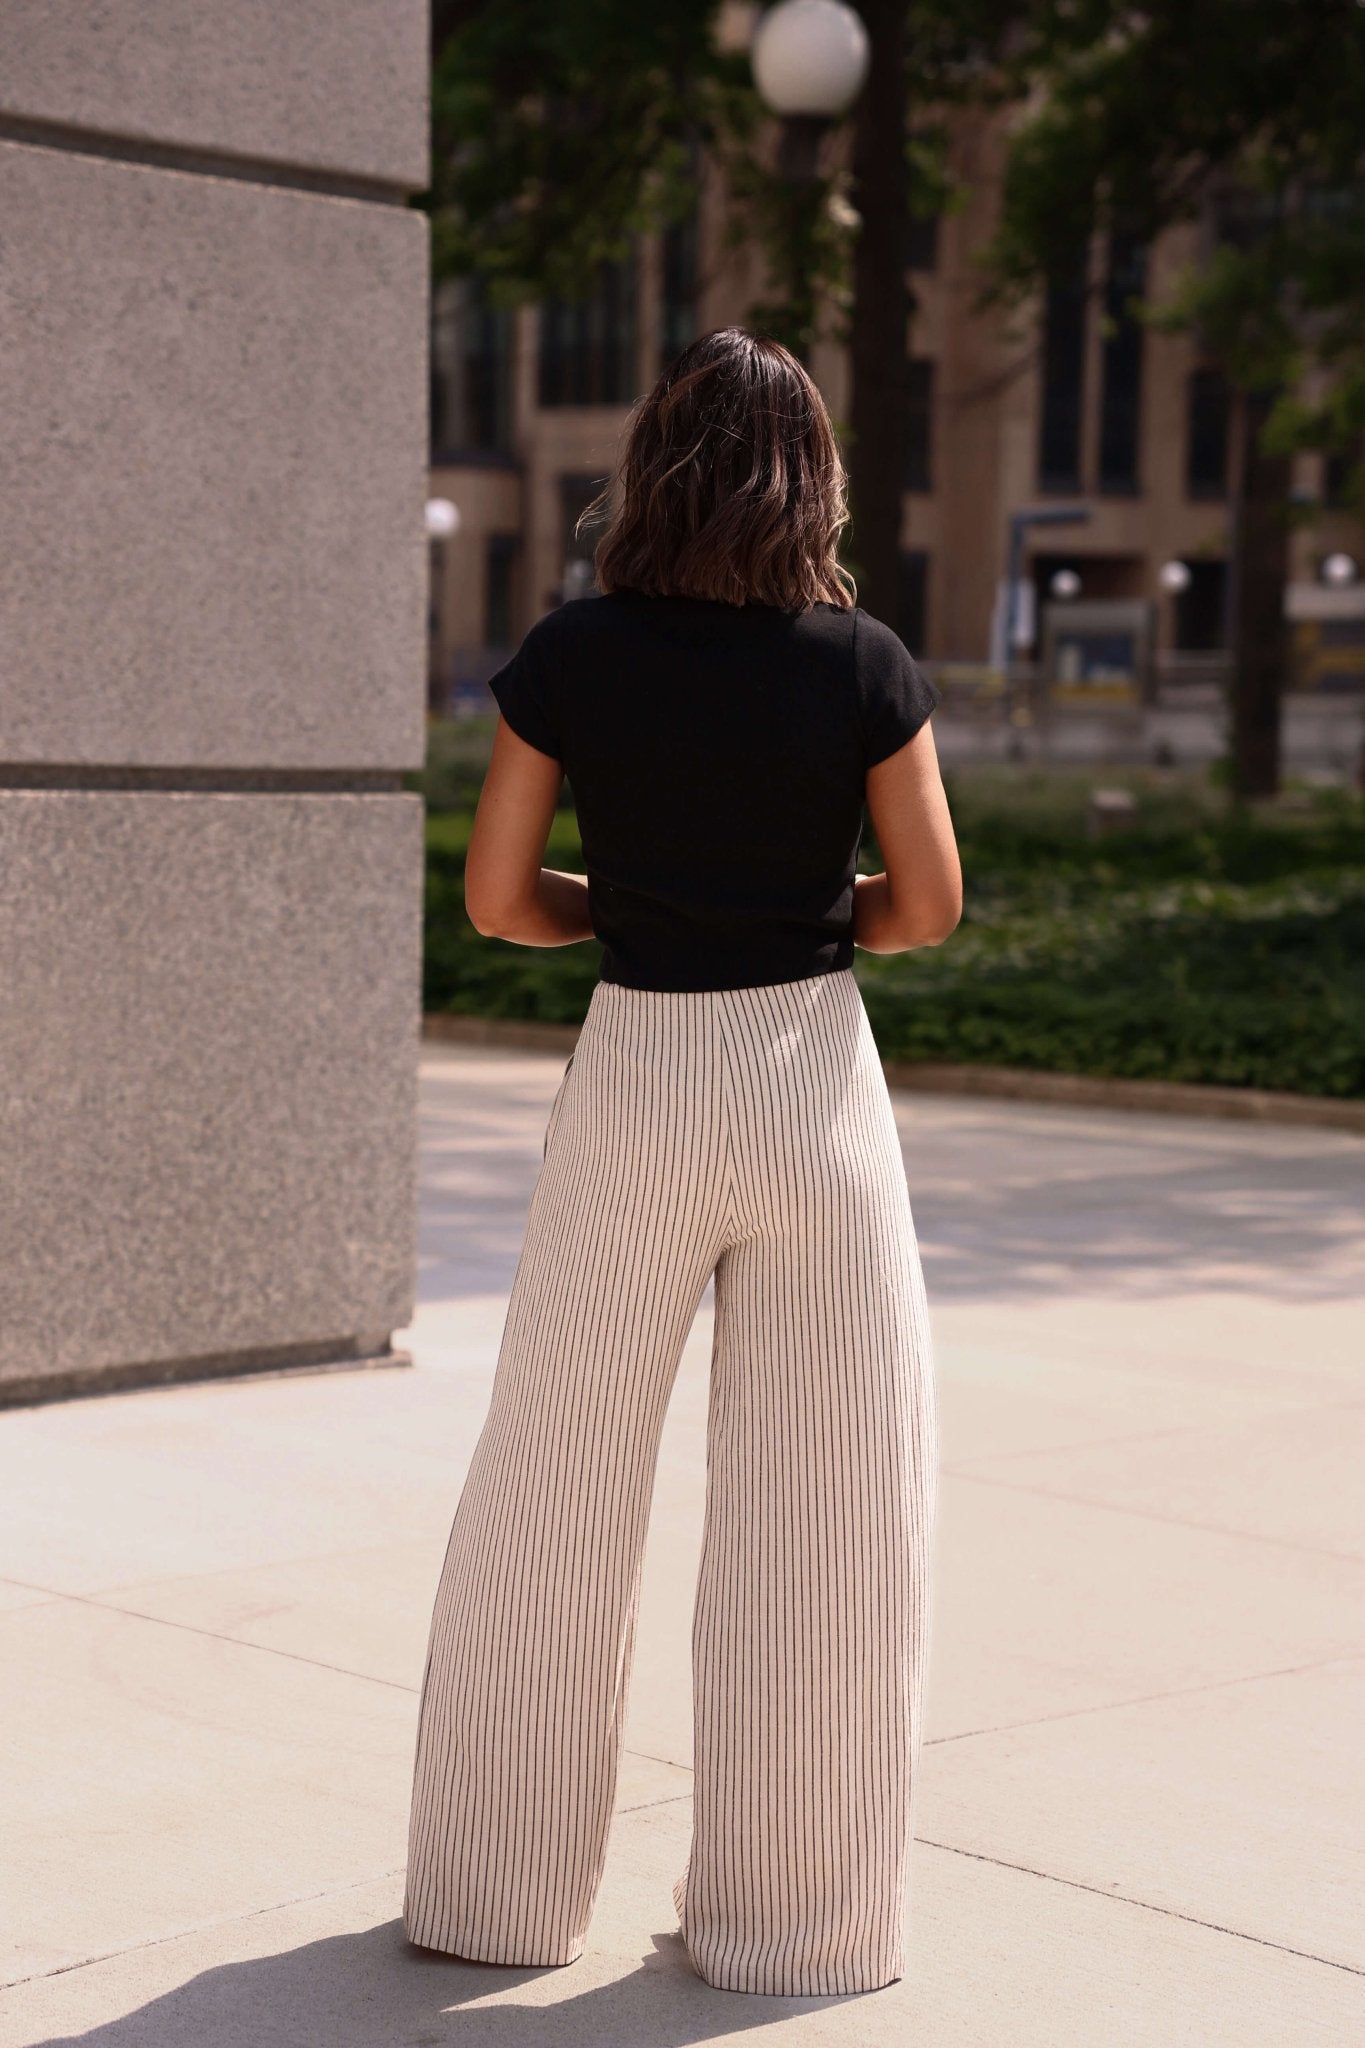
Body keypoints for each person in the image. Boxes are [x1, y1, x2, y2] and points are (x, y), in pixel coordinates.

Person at [403, 325, 962, 1997]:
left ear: (650, 467)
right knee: (832, 1514)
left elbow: (502, 903)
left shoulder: (573, 654)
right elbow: (925, 910)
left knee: (550, 1491)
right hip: (811, 1089)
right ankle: (792, 1933)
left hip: (639, 1071)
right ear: (814, 477)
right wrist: (792, 915)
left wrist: (639, 905)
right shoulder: (859, 662)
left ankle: (491, 1903)